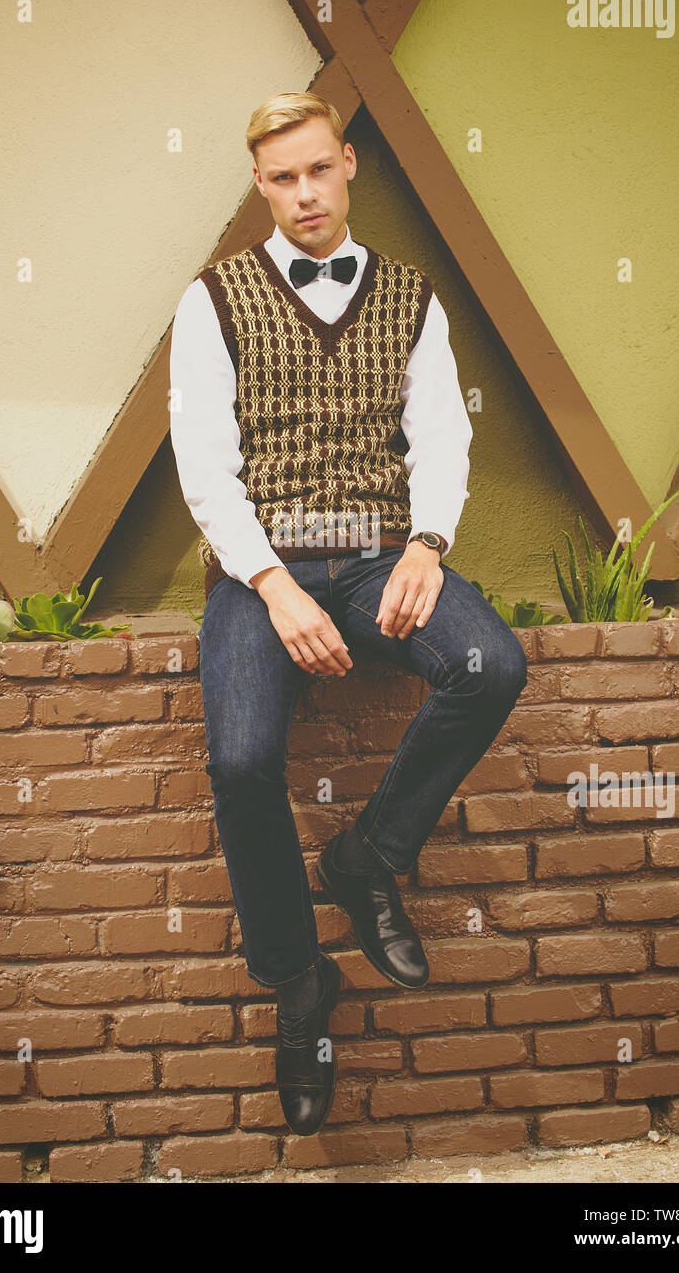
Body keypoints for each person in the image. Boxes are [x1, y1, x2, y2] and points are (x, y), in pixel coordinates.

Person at [169, 91, 527, 1135]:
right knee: (240, 761)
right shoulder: (216, 300)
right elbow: (204, 466)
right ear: (260, 185)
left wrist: (427, 544)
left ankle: (371, 852)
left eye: (318, 170)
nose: (304, 193)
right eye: (282, 178)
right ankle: (299, 983)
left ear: (349, 164)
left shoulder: (413, 298)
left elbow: (443, 441)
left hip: (379, 557)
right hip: (259, 571)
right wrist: (271, 582)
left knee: (491, 665)